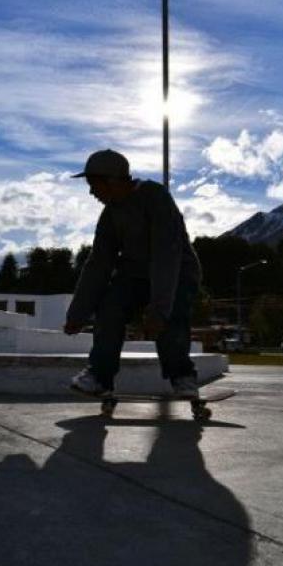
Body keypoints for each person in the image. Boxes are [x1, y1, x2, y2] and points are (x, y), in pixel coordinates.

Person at [64, 149, 202, 397]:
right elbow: (98, 264)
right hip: (135, 276)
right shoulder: (110, 215)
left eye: (94, 185)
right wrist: (78, 313)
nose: (91, 192)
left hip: (178, 272)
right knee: (109, 307)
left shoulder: (155, 197)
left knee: (172, 315)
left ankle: (182, 376)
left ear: (114, 181)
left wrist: (159, 309)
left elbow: (166, 254)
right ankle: (99, 376)